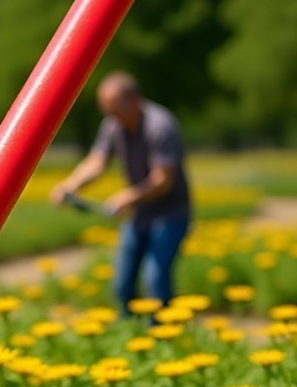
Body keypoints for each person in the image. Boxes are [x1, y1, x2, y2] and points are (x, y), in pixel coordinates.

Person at [50, 72, 191, 309]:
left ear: (134, 100)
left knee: (155, 280)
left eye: (114, 109)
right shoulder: (114, 125)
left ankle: (163, 335)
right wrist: (70, 185)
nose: (110, 116)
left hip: (170, 214)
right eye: (106, 109)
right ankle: (131, 332)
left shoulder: (160, 125)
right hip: (139, 214)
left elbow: (162, 180)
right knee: (122, 284)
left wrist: (129, 196)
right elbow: (97, 162)